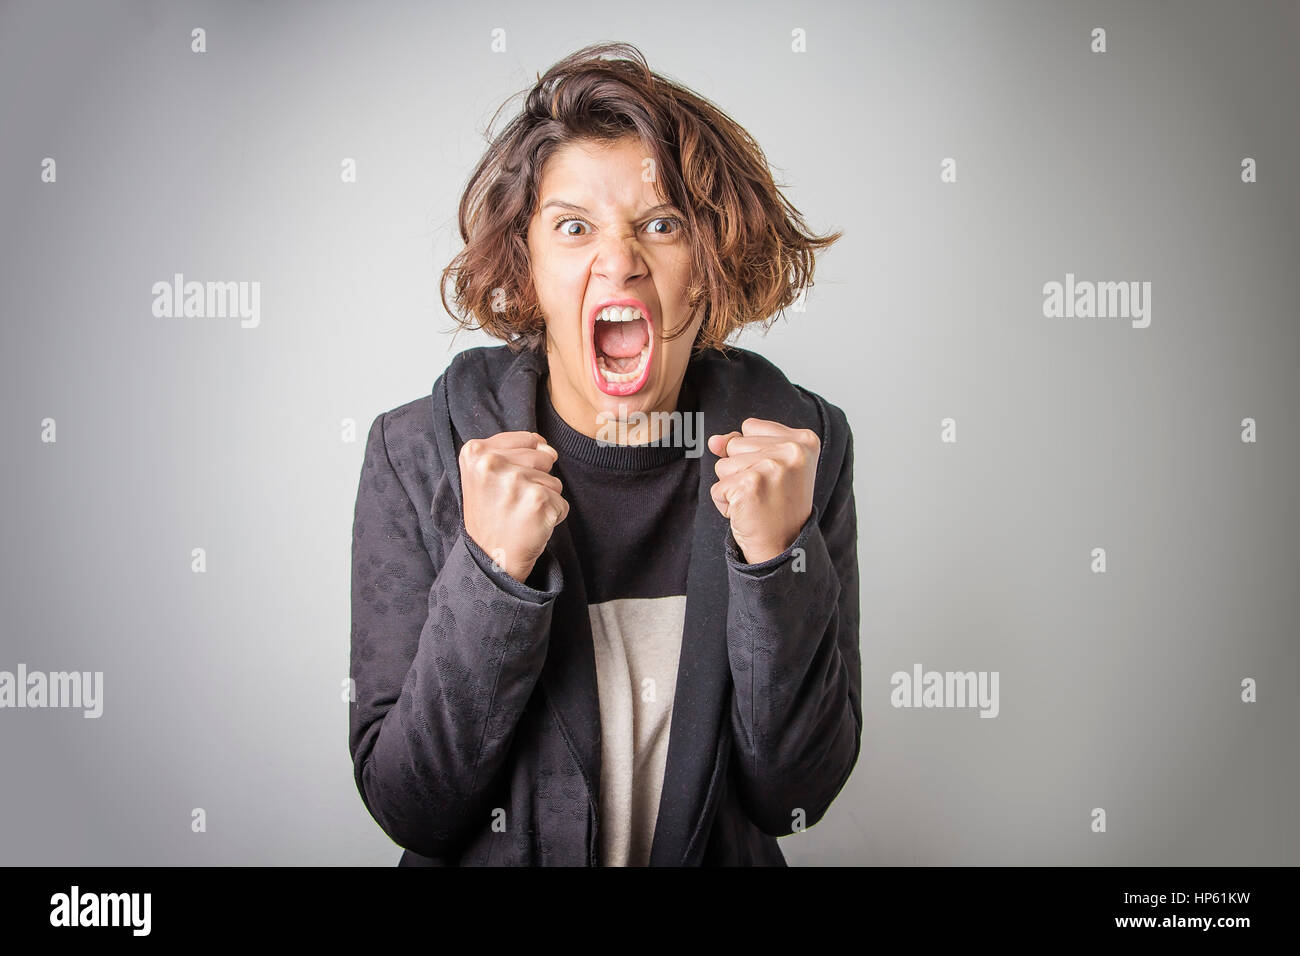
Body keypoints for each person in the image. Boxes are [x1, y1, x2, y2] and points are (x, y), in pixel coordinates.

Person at [349, 41, 861, 866]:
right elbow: (415, 810)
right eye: (573, 227)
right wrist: (489, 576)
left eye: (662, 225)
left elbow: (796, 797)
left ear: (711, 262)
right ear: (528, 266)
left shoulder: (802, 453)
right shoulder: (417, 455)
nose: (618, 261)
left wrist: (778, 564)